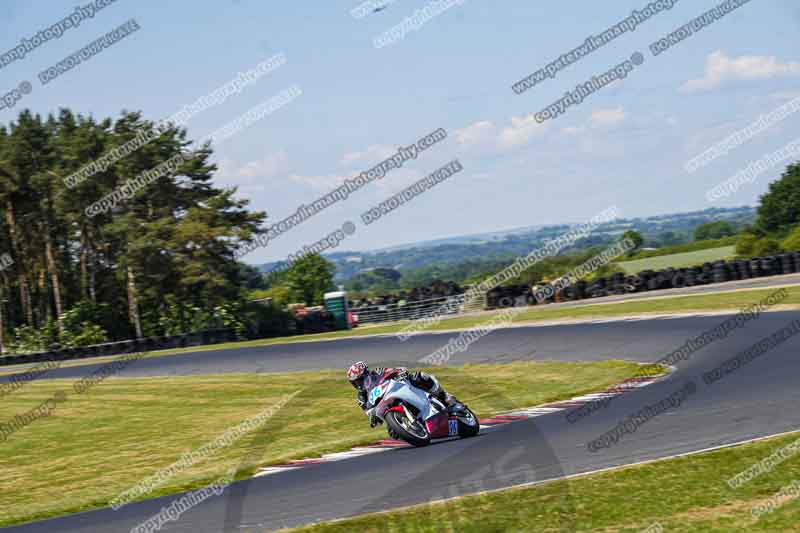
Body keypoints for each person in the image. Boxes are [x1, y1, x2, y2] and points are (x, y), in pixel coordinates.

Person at [346, 361, 457, 427]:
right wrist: (374, 418)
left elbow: (394, 370)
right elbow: (370, 413)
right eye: (355, 382)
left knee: (419, 376)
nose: (358, 384)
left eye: (360, 380)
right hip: (387, 407)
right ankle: (413, 428)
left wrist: (400, 373)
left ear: (367, 373)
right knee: (393, 433)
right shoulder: (361, 398)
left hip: (397, 388)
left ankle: (444, 396)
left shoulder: (378, 372)